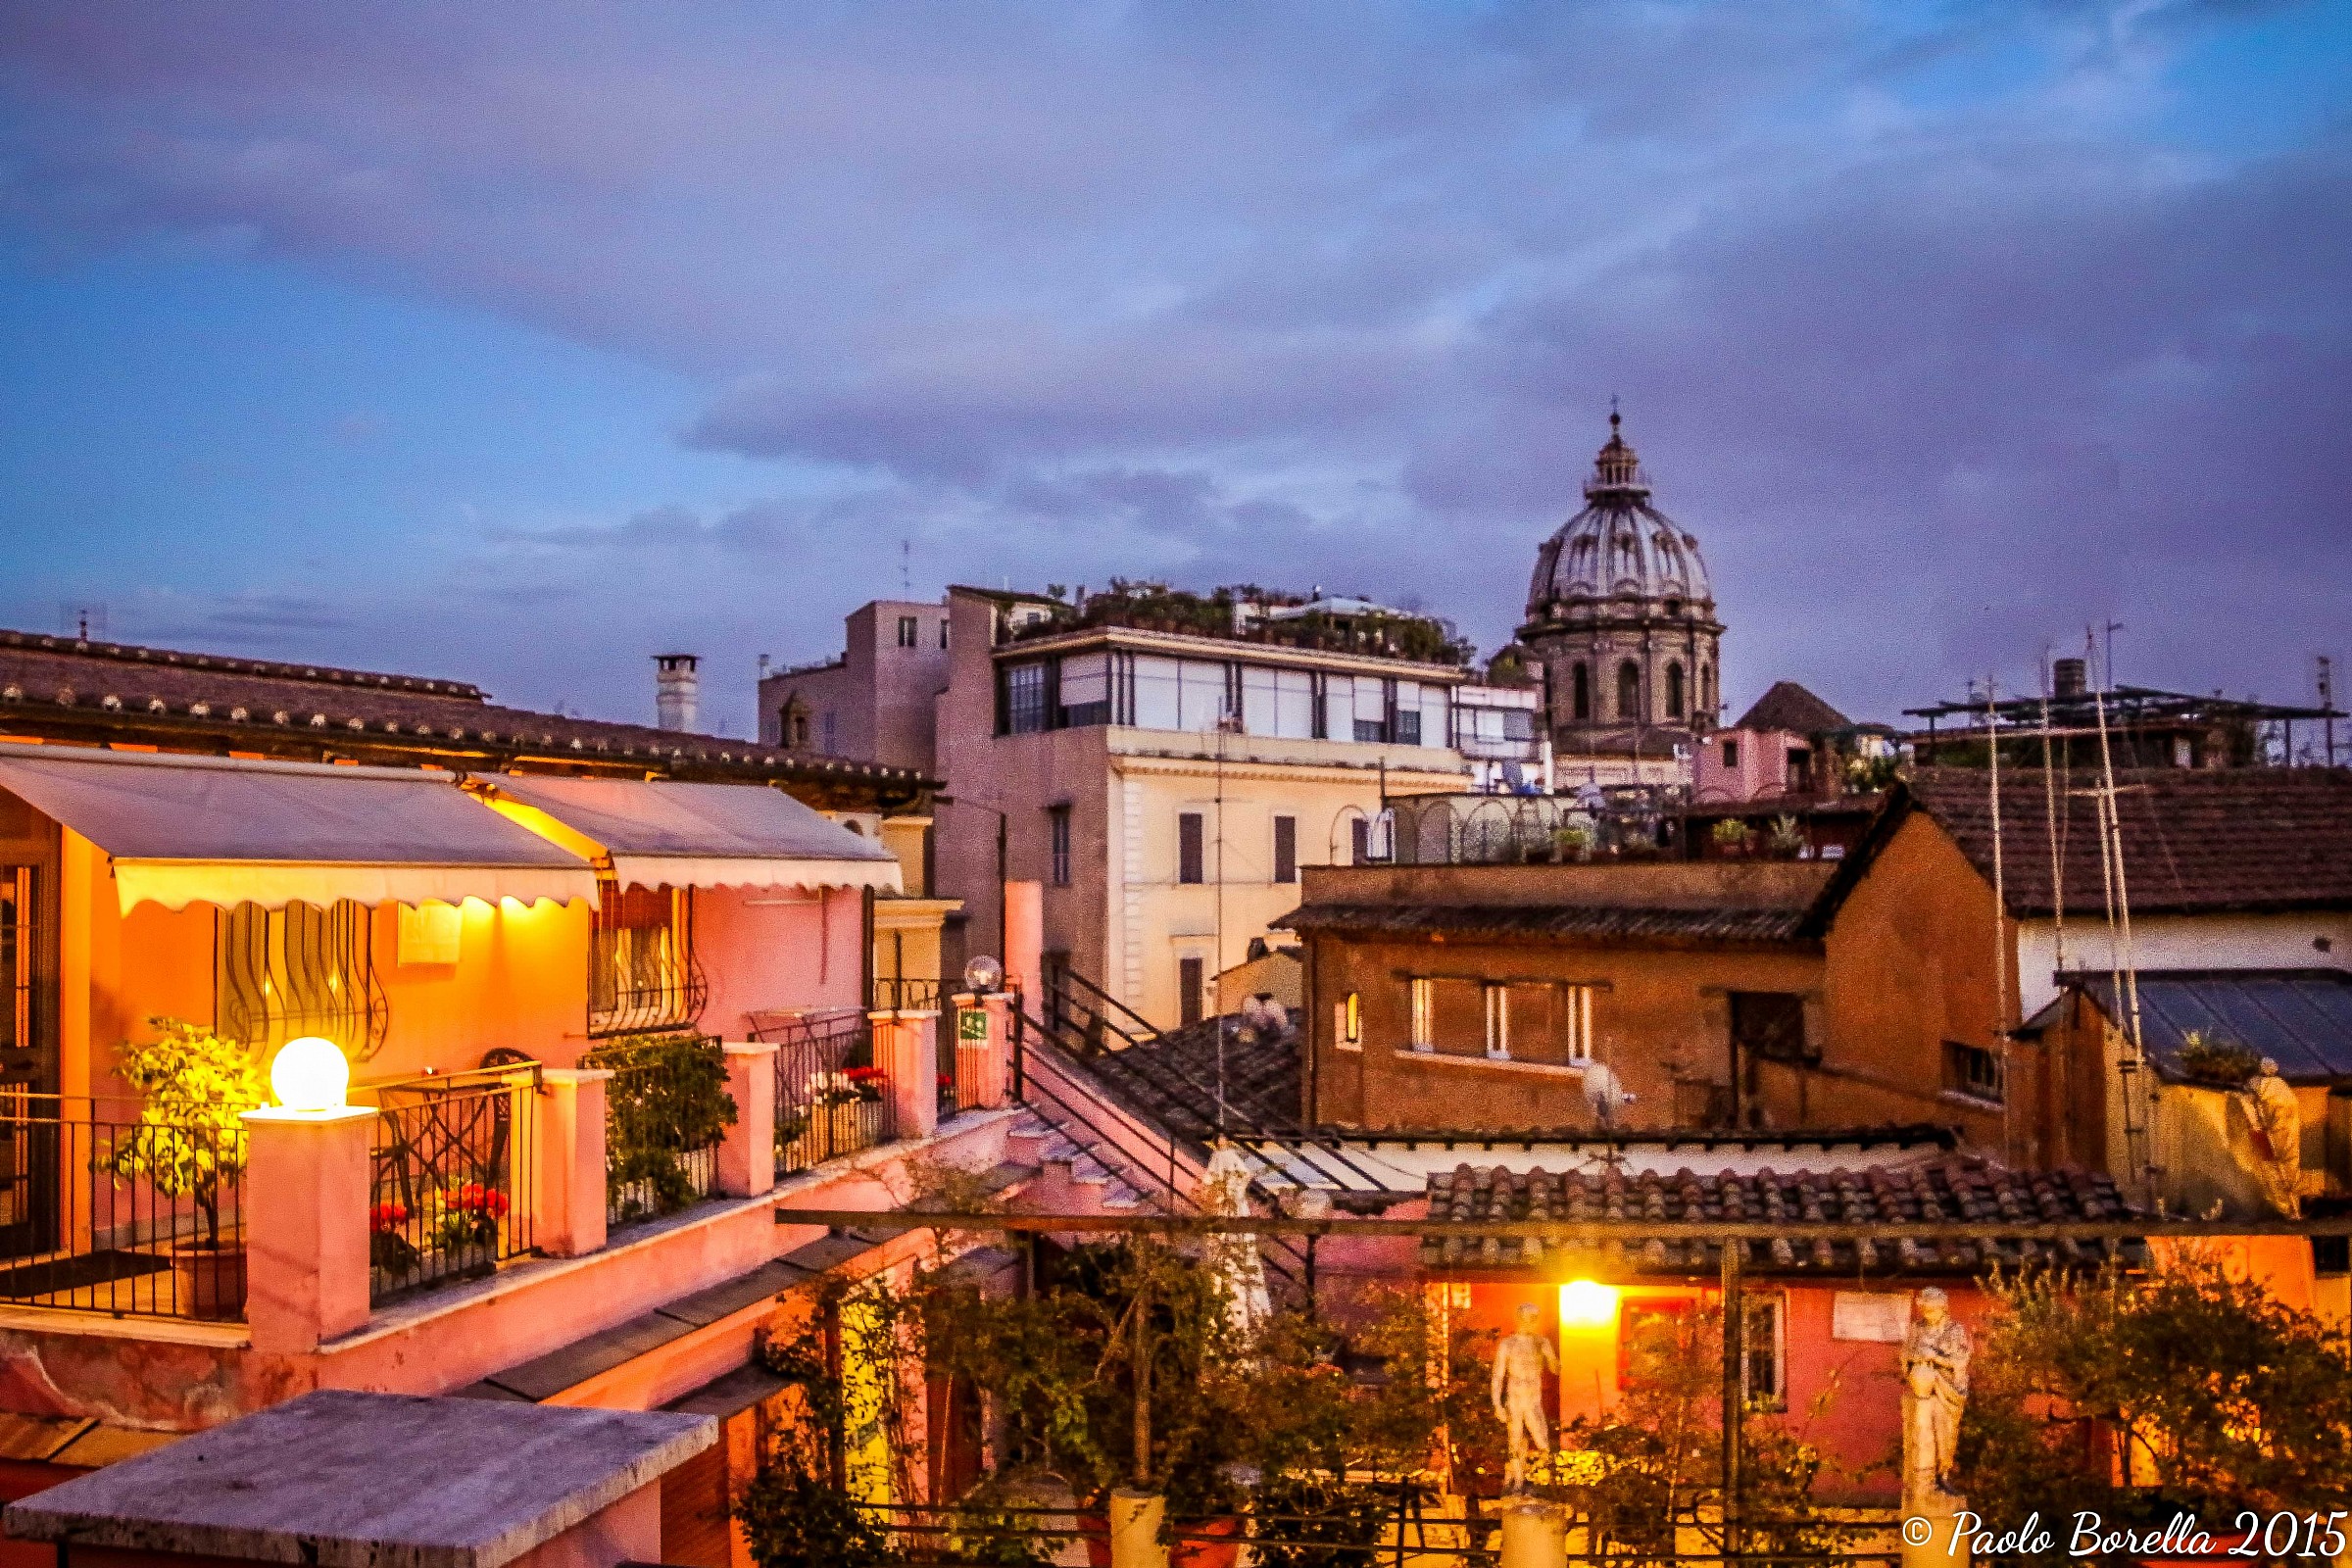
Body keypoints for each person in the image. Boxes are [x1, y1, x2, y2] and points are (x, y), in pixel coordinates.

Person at [1899, 1287, 1971, 1504]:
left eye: (1932, 1311)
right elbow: (1905, 1355)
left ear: (1943, 1309)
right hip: (1922, 1388)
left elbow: (1960, 1360)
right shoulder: (1916, 1329)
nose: (1928, 1315)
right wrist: (1917, 1356)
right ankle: (1926, 1479)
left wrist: (1936, 1358)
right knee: (1922, 1432)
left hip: (1948, 1391)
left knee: (1946, 1434)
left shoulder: (1955, 1331)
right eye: (1925, 1311)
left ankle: (1943, 1475)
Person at [1492, 1301, 1558, 1492]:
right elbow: (1498, 1375)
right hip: (1515, 1396)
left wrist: (1551, 1358)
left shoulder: (1541, 1342)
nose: (1531, 1322)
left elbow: (1554, 1368)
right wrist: (1497, 1404)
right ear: (1520, 1318)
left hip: (1533, 1397)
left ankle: (1549, 1480)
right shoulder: (1508, 1344)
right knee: (1515, 1439)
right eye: (1529, 1318)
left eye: (1535, 1318)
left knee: (1541, 1438)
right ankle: (1517, 1481)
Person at [2238, 1056, 2303, 1219]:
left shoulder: (2256, 1084)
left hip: (2272, 1135)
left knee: (2274, 1171)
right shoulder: (2284, 1088)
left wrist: (2257, 1127)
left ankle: (2286, 1209)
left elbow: (2250, 1107)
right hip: (2284, 1135)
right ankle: (2292, 1209)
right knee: (2287, 1169)